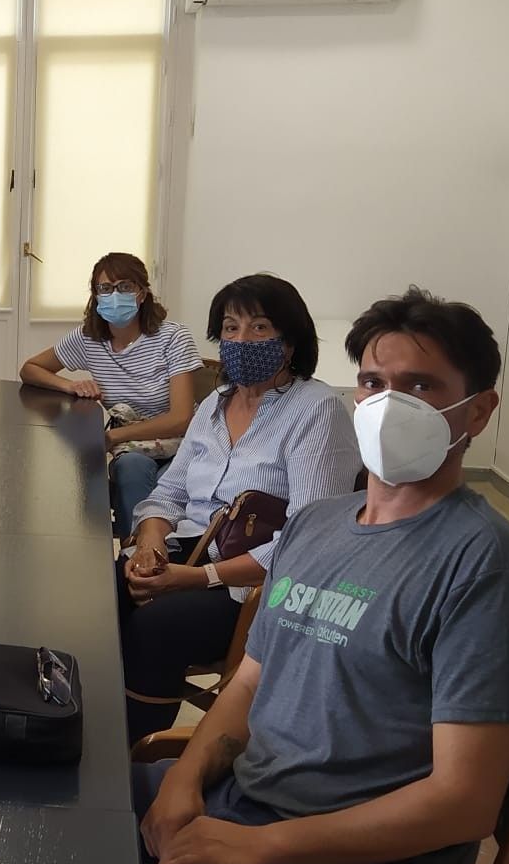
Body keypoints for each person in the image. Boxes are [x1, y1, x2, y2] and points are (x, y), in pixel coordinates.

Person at [130, 286, 509, 864]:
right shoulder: (317, 524)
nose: (389, 404)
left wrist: (259, 847)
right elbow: (248, 683)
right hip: (250, 797)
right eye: (373, 382)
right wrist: (185, 778)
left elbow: (462, 803)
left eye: (420, 387)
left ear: (479, 410)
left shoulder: (487, 569)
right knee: (64, 830)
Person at [120, 273, 361, 741]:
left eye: (260, 327)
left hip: (252, 585)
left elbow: (307, 541)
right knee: (103, 591)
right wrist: (150, 546)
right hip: (189, 552)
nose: (242, 339)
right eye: (231, 328)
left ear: (289, 342)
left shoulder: (316, 410)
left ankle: (133, 751)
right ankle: (80, 721)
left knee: (155, 625)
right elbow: (168, 493)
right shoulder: (215, 404)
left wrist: (197, 578)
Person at [20, 252, 203, 538]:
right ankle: (135, 552)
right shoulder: (88, 338)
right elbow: (30, 368)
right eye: (105, 288)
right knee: (131, 468)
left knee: (168, 486)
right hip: (132, 447)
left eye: (125, 287)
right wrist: (71, 385)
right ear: (95, 295)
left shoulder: (174, 337)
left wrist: (113, 437)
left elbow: (181, 418)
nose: (114, 295)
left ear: (142, 293)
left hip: (181, 442)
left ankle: (162, 550)